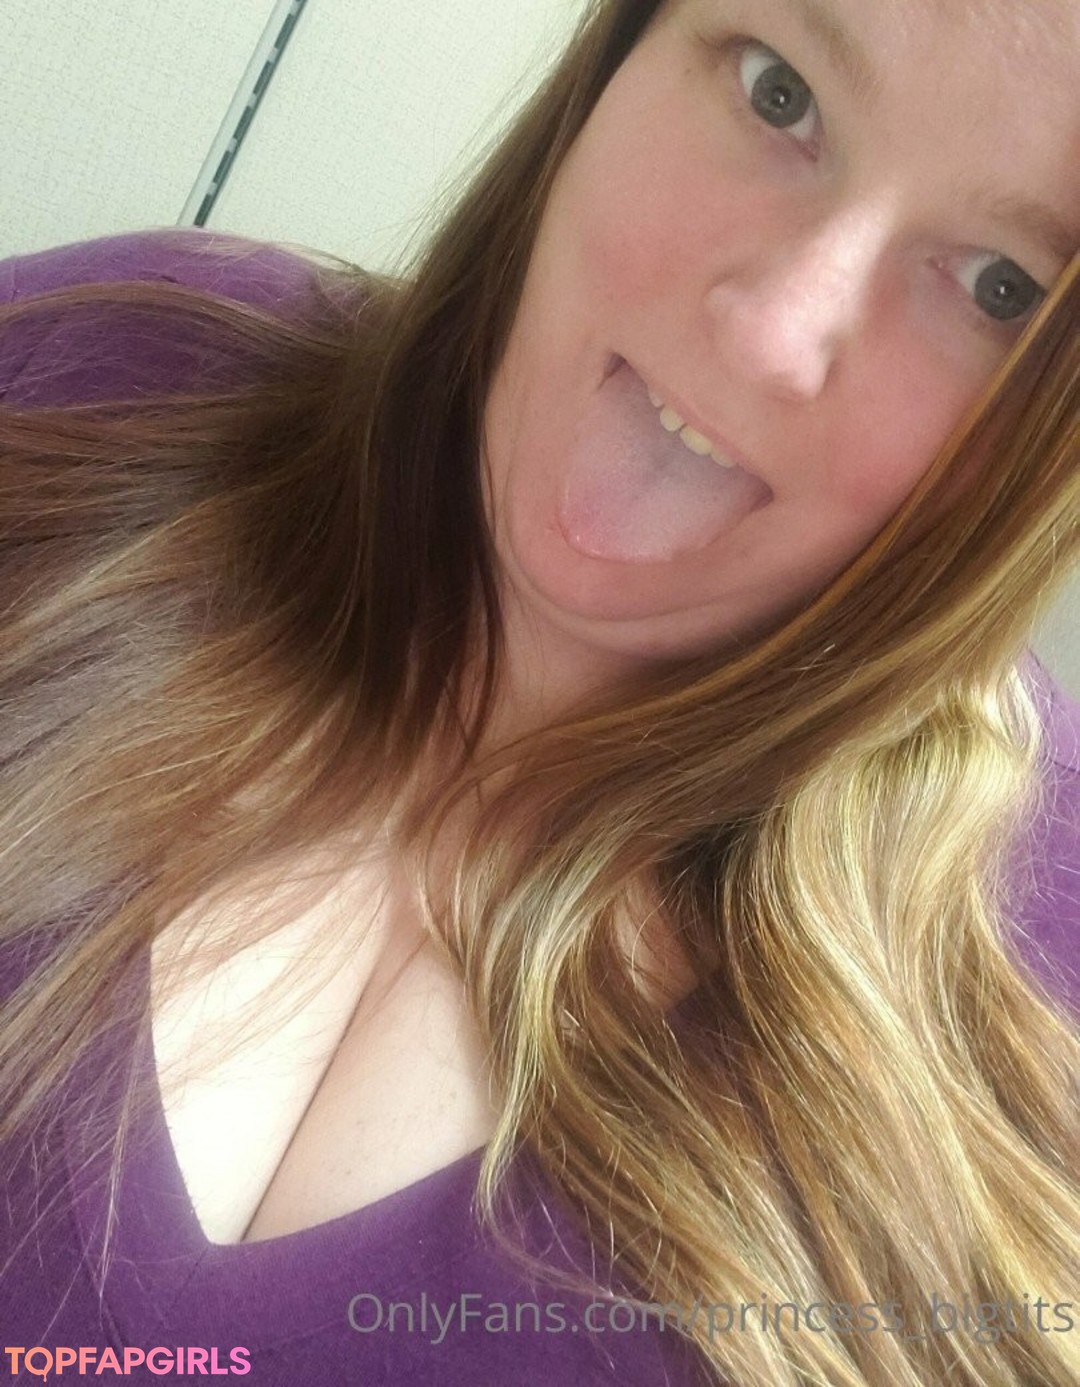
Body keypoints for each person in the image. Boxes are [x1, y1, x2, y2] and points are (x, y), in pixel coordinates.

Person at [1, 1, 1077, 1383]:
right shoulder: (102, 371)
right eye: (779, 92)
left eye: (1002, 288)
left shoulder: (1049, 961)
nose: (771, 331)